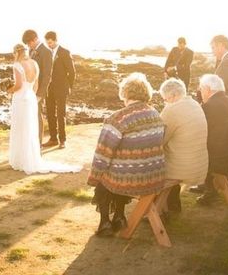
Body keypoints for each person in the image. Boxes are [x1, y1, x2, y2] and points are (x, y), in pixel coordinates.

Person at [87, 73, 165, 236]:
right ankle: (119, 215)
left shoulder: (118, 118)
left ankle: (105, 223)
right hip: (153, 175)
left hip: (131, 177)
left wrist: (94, 176)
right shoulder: (156, 114)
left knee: (106, 178)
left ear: (125, 93)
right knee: (121, 170)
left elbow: (103, 153)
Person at [8, 44, 81, 174]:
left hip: (20, 98)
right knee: (30, 127)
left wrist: (9, 90)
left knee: (20, 127)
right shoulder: (34, 63)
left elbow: (18, 85)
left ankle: (20, 159)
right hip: (31, 97)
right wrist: (32, 96)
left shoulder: (17, 65)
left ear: (16, 52)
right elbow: (36, 84)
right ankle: (30, 157)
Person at [159, 78, 208, 213]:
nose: (165, 102)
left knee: (153, 169)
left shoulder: (172, 110)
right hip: (199, 164)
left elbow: (160, 140)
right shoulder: (194, 104)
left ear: (174, 96)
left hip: (183, 167)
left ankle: (157, 211)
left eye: (165, 99)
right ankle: (172, 205)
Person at [196, 74, 228, 206]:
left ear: (208, 89)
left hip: (215, 157)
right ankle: (225, 186)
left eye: (201, 90)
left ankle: (210, 191)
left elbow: (201, 132)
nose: (201, 93)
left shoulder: (208, 106)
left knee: (199, 149)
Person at [44, 31, 76, 149]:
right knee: (50, 113)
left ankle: (62, 140)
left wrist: (68, 87)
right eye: (47, 43)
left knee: (61, 114)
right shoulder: (47, 53)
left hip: (61, 88)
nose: (49, 45)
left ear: (56, 40)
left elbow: (72, 72)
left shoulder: (64, 52)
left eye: (51, 42)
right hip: (49, 88)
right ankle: (53, 139)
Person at [22, 30, 53, 145]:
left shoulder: (46, 52)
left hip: (38, 91)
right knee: (29, 116)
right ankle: (30, 142)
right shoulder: (31, 51)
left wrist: (40, 94)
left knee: (37, 116)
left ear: (35, 39)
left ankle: (37, 144)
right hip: (29, 89)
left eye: (29, 43)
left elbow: (47, 75)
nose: (28, 46)